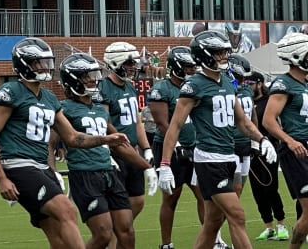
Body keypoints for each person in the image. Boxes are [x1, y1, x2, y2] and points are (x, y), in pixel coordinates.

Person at [0, 37, 131, 248]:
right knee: (67, 211)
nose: (45, 67)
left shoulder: (49, 98)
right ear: (24, 65)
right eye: (39, 63)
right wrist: (1, 178)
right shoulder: (10, 92)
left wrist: (106, 139)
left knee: (58, 237)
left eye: (46, 62)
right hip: (19, 164)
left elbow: (73, 137)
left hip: (41, 167)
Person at [158, 30, 277, 249]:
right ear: (204, 55)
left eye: (225, 52)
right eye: (219, 53)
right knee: (237, 215)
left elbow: (242, 121)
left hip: (228, 155)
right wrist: (165, 164)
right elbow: (174, 125)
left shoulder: (227, 82)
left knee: (212, 223)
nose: (224, 56)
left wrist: (262, 140)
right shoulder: (193, 85)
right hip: (209, 160)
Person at [57, 52, 156, 249]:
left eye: (94, 75)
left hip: (109, 173)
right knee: (103, 234)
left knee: (126, 232)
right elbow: (50, 144)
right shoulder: (63, 109)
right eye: (87, 76)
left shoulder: (100, 109)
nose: (94, 81)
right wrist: (52, 171)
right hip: (85, 174)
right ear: (73, 79)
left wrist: (147, 167)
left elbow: (118, 142)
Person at [149, 46, 205, 249]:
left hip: (194, 145)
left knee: (203, 195)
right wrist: (178, 145)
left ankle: (213, 239)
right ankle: (166, 244)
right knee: (172, 196)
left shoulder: (195, 86)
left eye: (192, 66)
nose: (192, 70)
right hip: (170, 148)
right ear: (176, 67)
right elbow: (163, 123)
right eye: (187, 66)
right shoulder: (161, 89)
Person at [262, 32, 308, 247]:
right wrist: (289, 141)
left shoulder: (305, 83)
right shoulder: (283, 83)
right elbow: (268, 120)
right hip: (297, 149)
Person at [100, 42, 155, 220]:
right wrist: (122, 145)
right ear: (115, 63)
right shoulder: (103, 88)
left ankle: (118, 234)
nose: (133, 67)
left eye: (134, 63)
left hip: (132, 150)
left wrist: (146, 148)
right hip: (116, 152)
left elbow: (137, 121)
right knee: (118, 205)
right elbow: (104, 124)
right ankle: (116, 236)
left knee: (138, 200)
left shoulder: (130, 86)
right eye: (129, 63)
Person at [247, 71, 289, 241]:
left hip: (269, 149)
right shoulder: (246, 102)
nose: (248, 87)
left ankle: (281, 224)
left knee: (271, 188)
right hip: (252, 151)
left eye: (251, 83)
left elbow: (275, 124)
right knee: (257, 191)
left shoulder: (269, 101)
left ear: (259, 84)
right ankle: (268, 226)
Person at [227, 54, 257, 198]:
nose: (243, 79)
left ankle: (228, 217)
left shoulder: (247, 90)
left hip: (246, 142)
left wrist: (256, 141)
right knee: (236, 187)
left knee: (240, 188)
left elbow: (252, 114)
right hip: (231, 142)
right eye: (240, 75)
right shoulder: (225, 88)